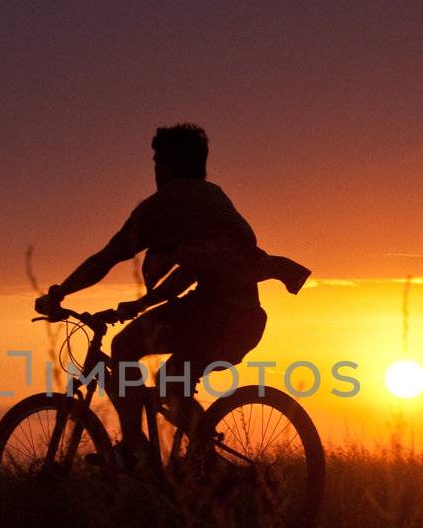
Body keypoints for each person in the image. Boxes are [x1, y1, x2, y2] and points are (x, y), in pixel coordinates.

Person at [35, 123, 309, 466]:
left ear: (164, 165)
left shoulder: (165, 204)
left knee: (124, 347)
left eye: (155, 161)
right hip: (245, 321)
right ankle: (206, 462)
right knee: (170, 385)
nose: (154, 169)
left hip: (212, 316)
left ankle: (135, 446)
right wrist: (141, 304)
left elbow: (108, 257)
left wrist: (60, 292)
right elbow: (197, 269)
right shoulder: (214, 199)